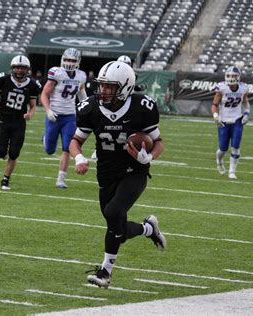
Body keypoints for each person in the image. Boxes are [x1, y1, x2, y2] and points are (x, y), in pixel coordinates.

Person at [69, 61, 166, 289]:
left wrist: (148, 157)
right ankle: (149, 228)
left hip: (134, 171)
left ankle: (105, 273)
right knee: (117, 230)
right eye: (102, 86)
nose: (103, 91)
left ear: (125, 87)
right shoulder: (89, 107)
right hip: (106, 173)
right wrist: (79, 158)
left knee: (113, 213)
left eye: (109, 87)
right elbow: (76, 141)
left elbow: (159, 143)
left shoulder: (142, 106)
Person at [0, 55, 40, 190]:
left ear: (27, 69)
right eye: (16, 67)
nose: (19, 70)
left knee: (14, 153)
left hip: (19, 122)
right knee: (0, 152)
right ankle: (4, 153)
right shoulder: (3, 80)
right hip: (4, 120)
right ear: (12, 68)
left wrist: (30, 114)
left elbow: (33, 106)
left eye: (22, 68)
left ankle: (5, 179)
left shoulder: (33, 85)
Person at [41, 48, 87, 188]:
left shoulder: (81, 76)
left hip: (70, 117)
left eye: (72, 60)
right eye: (67, 59)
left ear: (78, 62)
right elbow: (44, 94)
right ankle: (45, 139)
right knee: (49, 150)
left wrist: (86, 108)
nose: (69, 62)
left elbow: (82, 95)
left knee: (67, 147)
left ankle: (61, 179)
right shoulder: (57, 73)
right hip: (54, 116)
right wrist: (48, 111)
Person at [211, 66, 250, 180]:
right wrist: (215, 116)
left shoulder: (243, 88)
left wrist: (246, 113)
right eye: (229, 76)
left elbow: (246, 103)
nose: (231, 78)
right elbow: (214, 105)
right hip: (223, 121)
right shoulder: (222, 88)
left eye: (233, 76)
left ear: (238, 77)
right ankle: (219, 160)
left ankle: (232, 171)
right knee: (223, 149)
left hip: (237, 119)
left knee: (236, 147)